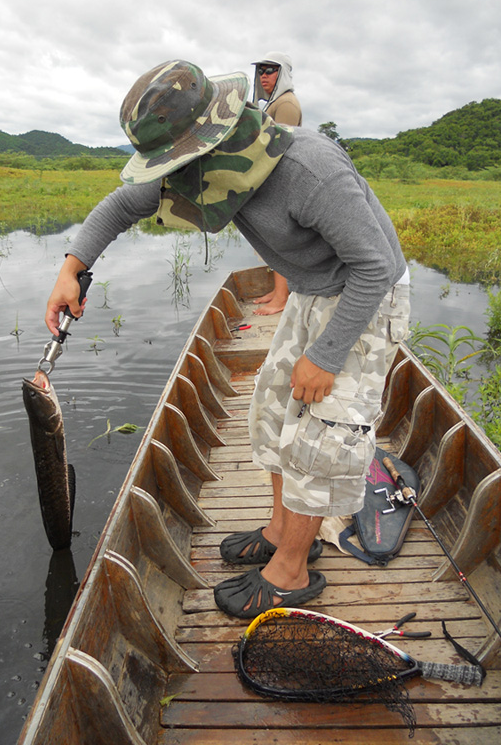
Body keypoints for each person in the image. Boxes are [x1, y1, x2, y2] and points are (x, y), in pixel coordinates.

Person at [45, 59, 410, 620]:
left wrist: (327, 355)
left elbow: (376, 267)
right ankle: (284, 531)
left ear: (213, 137)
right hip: (314, 290)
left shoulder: (310, 171)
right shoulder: (204, 167)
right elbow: (123, 204)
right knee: (270, 409)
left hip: (366, 297)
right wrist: (71, 267)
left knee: (322, 433)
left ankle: (291, 571)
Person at [251, 52, 302, 316]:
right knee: (271, 241)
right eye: (261, 71)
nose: (263, 76)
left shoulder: (286, 104)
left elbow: (279, 149)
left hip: (281, 182)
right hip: (271, 181)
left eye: (270, 71)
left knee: (279, 239)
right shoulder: (274, 103)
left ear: (281, 74)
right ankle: (277, 291)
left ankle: (282, 297)